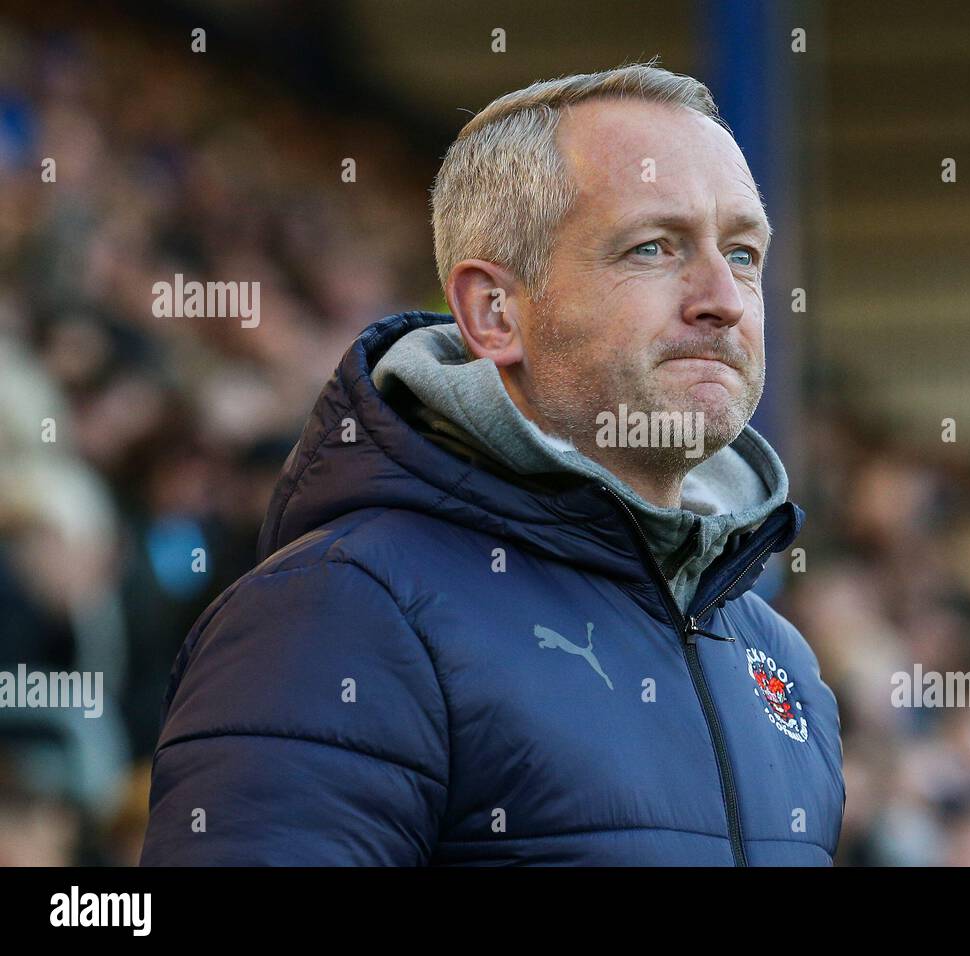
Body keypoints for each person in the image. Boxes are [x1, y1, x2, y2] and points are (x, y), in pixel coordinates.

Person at [139, 62, 845, 866]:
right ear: (493, 312)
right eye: (654, 247)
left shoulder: (778, 659)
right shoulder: (339, 613)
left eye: (744, 254)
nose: (723, 296)